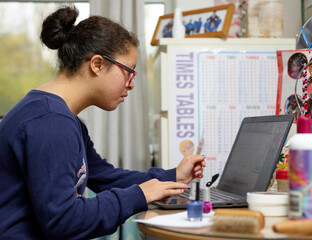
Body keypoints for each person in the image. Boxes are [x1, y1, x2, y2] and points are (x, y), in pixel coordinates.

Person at [0, 5, 206, 240]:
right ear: (97, 64)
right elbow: (64, 222)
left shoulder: (62, 118)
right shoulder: (50, 123)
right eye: (129, 72)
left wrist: (172, 176)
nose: (131, 84)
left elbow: (106, 177)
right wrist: (138, 195)